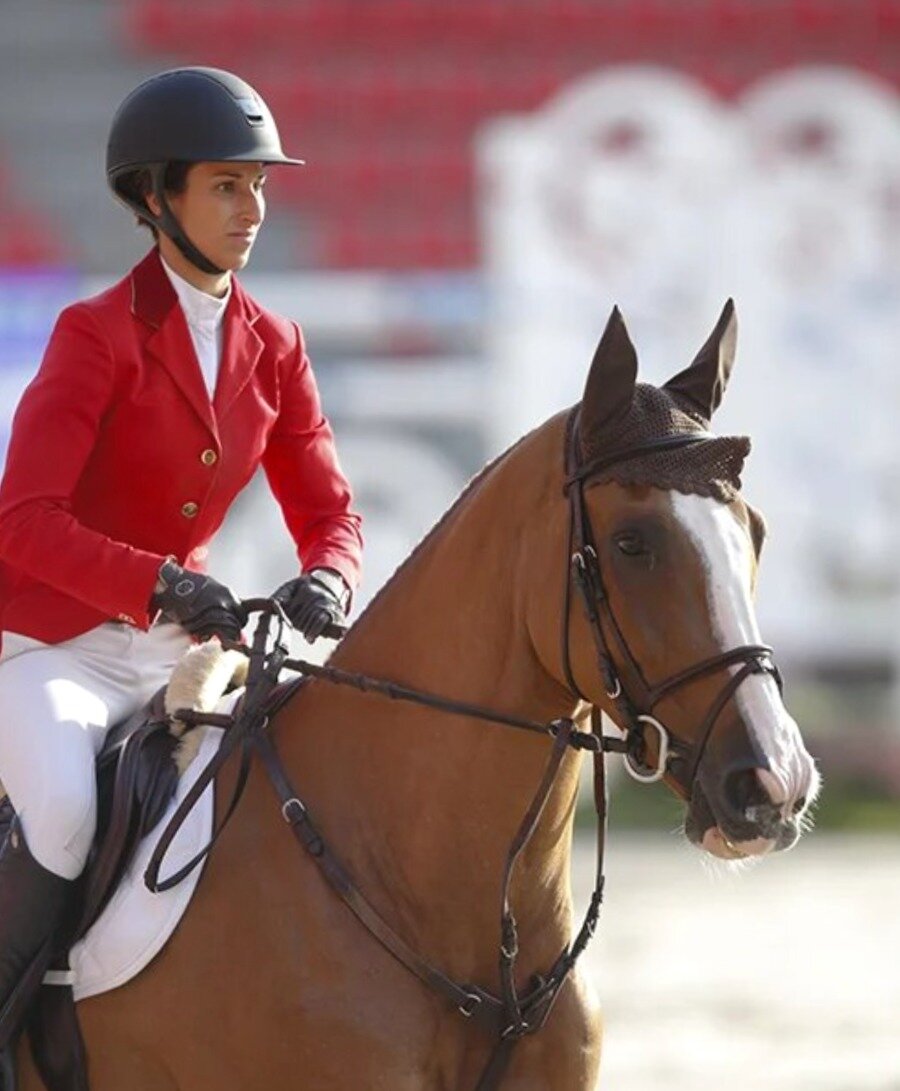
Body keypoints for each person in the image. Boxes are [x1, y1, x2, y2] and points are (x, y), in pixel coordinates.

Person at [0, 66, 363, 1064]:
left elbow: (330, 511)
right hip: (49, 647)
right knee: (65, 811)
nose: (253, 209)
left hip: (179, 654)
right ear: (157, 197)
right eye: (226, 186)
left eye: (259, 186)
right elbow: (21, 521)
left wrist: (329, 577)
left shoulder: (275, 344)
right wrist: (159, 583)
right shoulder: (94, 334)